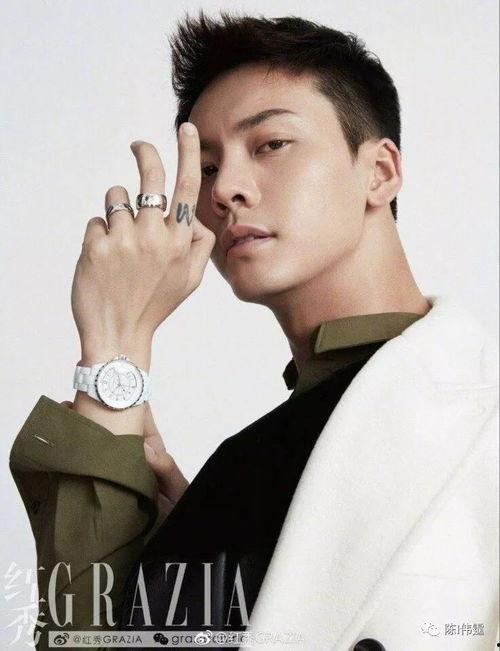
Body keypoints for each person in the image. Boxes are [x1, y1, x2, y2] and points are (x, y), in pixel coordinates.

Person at [9, 10, 498, 651]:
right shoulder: (243, 475)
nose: (226, 191)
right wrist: (115, 346)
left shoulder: (478, 421)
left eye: (270, 145)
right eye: (208, 167)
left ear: (379, 172)